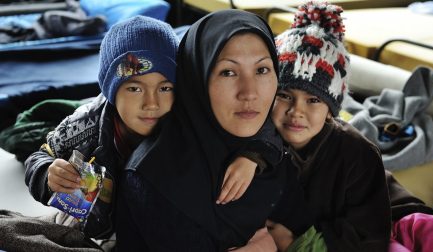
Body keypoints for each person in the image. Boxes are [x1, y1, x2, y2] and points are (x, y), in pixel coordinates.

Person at [116, 9, 286, 251]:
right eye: (228, 72)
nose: (250, 93)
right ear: (196, 78)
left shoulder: (279, 142)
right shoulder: (153, 181)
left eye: (261, 70)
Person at [24, 15, 179, 239]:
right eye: (135, 89)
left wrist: (248, 155)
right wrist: (48, 174)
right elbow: (40, 155)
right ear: (112, 93)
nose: (151, 103)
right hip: (96, 229)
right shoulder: (85, 125)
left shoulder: (189, 121)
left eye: (165, 88)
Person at [266, 2, 391, 251]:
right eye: (284, 95)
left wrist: (295, 243)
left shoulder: (358, 154)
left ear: (330, 112)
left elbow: (370, 236)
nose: (296, 111)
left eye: (313, 100)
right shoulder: (256, 139)